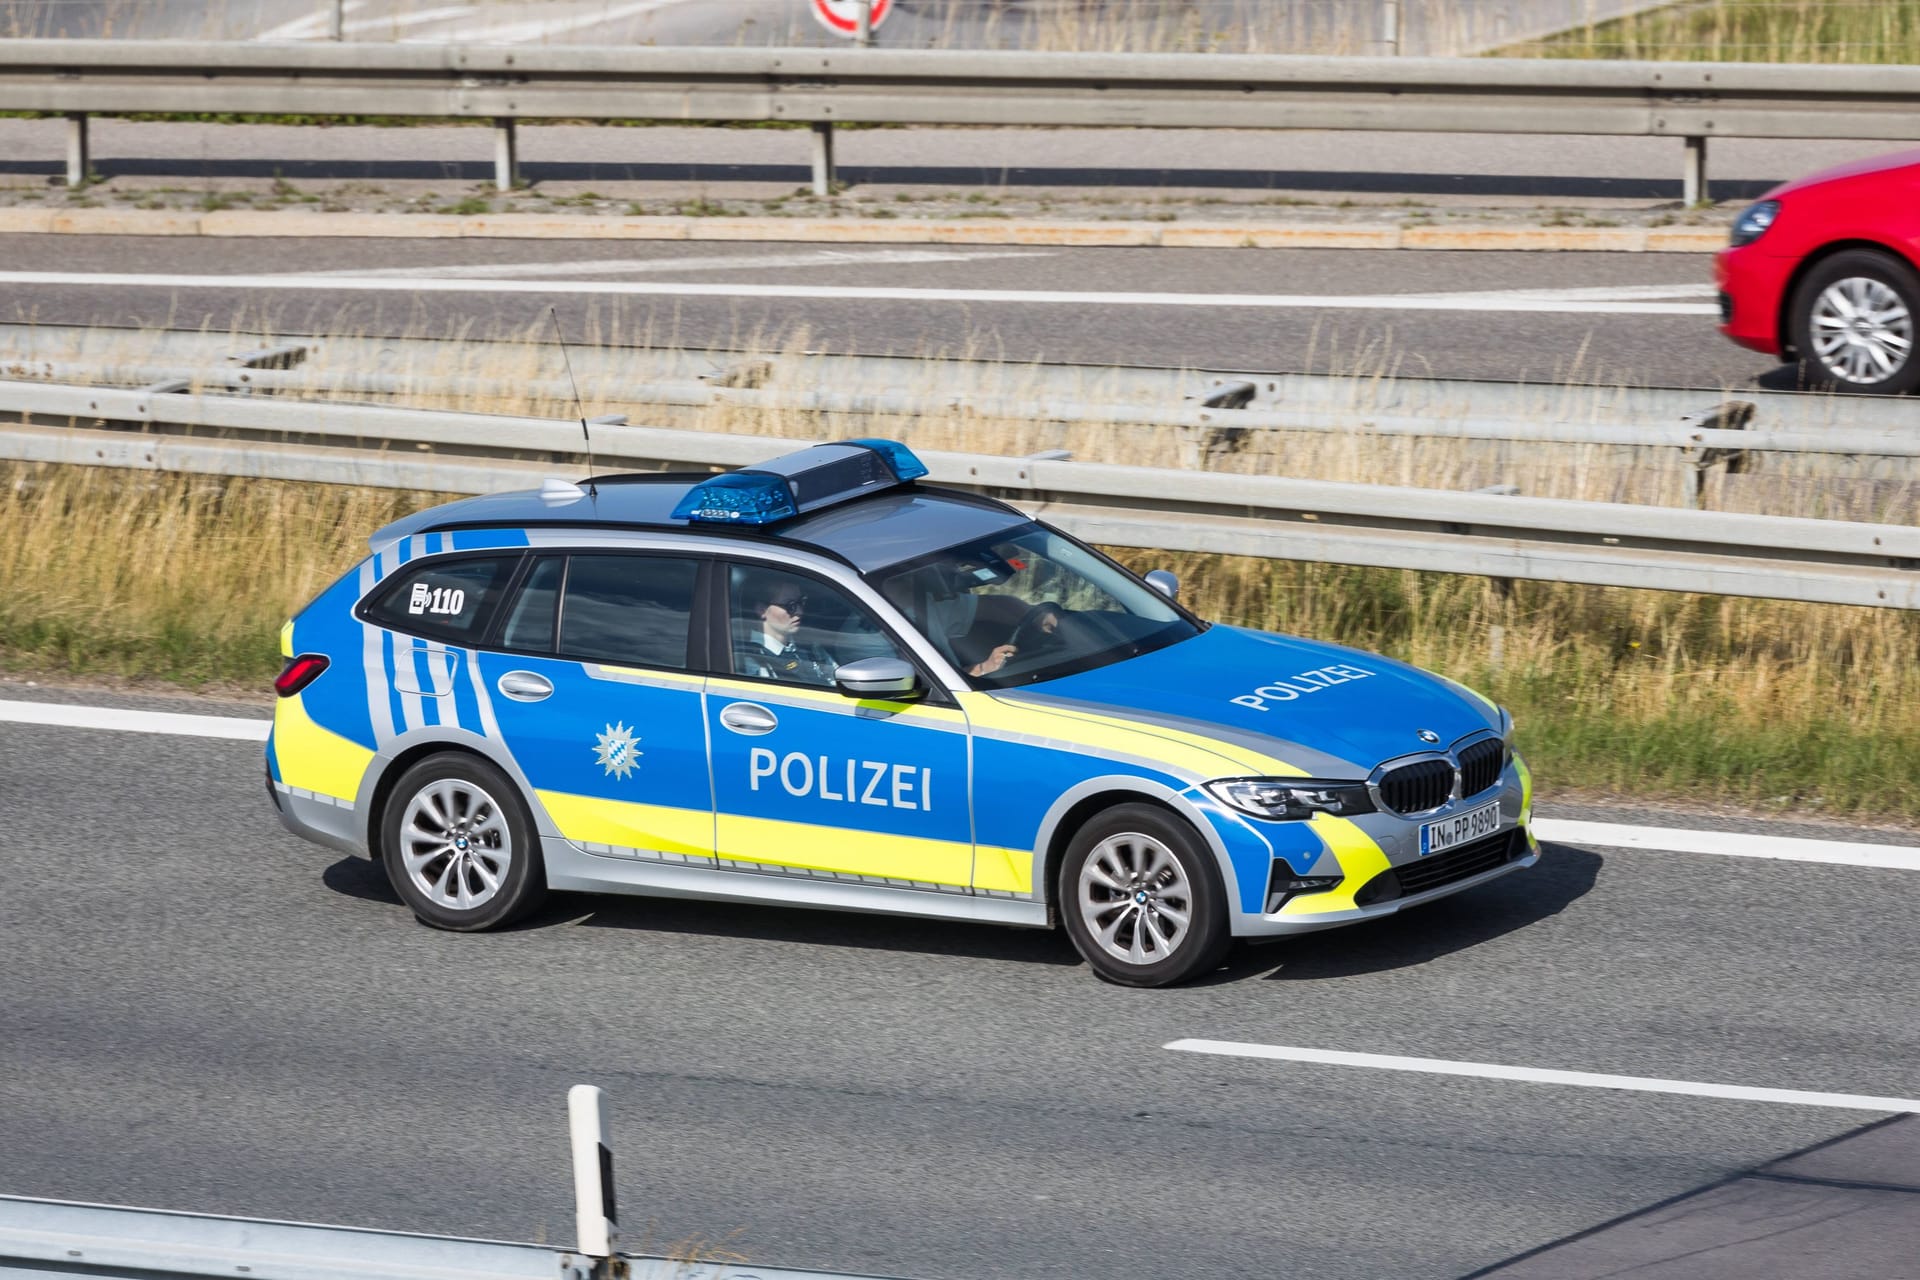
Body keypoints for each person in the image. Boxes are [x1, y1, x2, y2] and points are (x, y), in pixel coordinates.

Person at [734, 573, 839, 686]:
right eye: (790, 605)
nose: (799, 612)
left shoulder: (811, 648)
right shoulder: (752, 660)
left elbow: (839, 679)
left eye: (801, 602)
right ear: (761, 610)